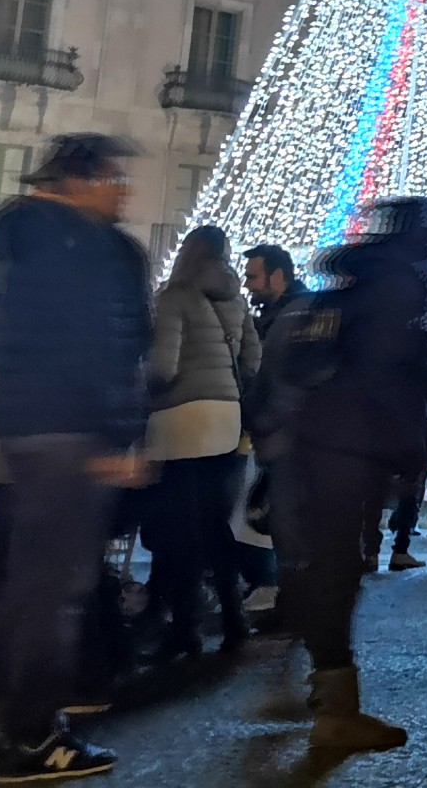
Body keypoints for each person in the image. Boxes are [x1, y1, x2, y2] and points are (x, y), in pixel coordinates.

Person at [0, 134, 151, 783]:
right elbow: (107, 343)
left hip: (25, 428)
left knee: (29, 578)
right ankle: (30, 736)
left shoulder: (12, 237)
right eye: (112, 177)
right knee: (54, 589)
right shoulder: (91, 249)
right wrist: (116, 439)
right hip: (73, 432)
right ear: (76, 181)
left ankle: (14, 719)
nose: (123, 190)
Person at [280, 197, 427, 753]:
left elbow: (300, 363)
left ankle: (327, 688)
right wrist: (410, 449)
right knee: (338, 569)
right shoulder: (400, 286)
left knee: (329, 563)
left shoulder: (347, 284)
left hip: (320, 435)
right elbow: (387, 371)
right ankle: (336, 709)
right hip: (353, 444)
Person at [144, 224, 260, 658]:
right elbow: (253, 360)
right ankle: (234, 619)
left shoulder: (174, 298)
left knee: (179, 527)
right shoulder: (237, 301)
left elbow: (163, 367)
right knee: (213, 523)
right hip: (226, 419)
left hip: (182, 420)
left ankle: (184, 628)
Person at [240, 243, 304, 616]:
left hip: (287, 434)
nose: (249, 285)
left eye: (253, 276)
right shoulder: (281, 314)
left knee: (287, 522)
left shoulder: (294, 317)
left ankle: (292, 604)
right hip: (281, 432)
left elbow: (282, 380)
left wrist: (261, 418)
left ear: (277, 276)